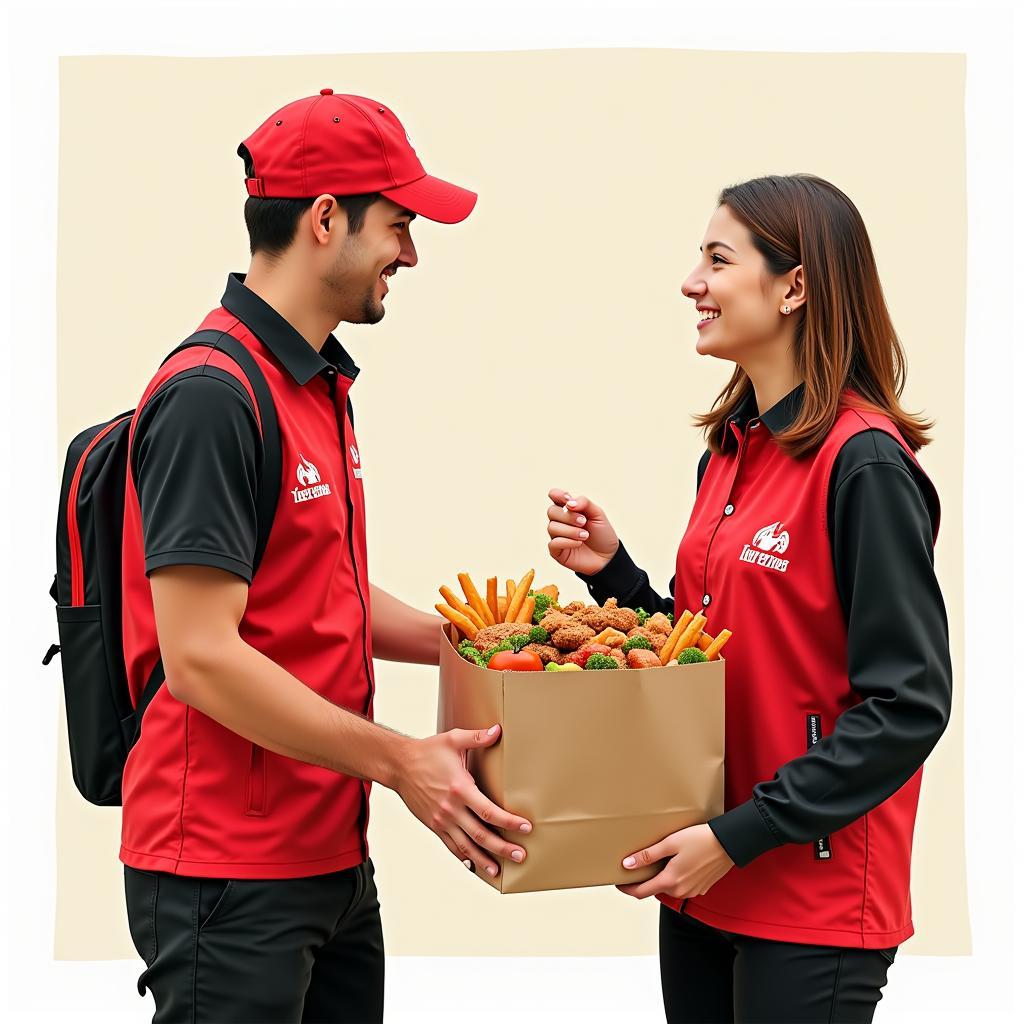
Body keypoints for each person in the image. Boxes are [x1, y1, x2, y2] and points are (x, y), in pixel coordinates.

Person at [119, 90, 531, 1024]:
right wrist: (400, 760)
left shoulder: (313, 382)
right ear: (324, 218)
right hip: (227, 874)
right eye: (400, 224)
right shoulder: (212, 396)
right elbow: (200, 655)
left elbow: (322, 598)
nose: (412, 253)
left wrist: (476, 644)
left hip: (330, 859)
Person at [544, 174, 952, 1023]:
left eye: (718, 258)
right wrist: (615, 576)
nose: (692, 281)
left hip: (810, 898)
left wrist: (737, 838)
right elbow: (702, 663)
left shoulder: (864, 465)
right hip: (701, 885)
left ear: (795, 285)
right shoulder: (731, 451)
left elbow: (908, 705)